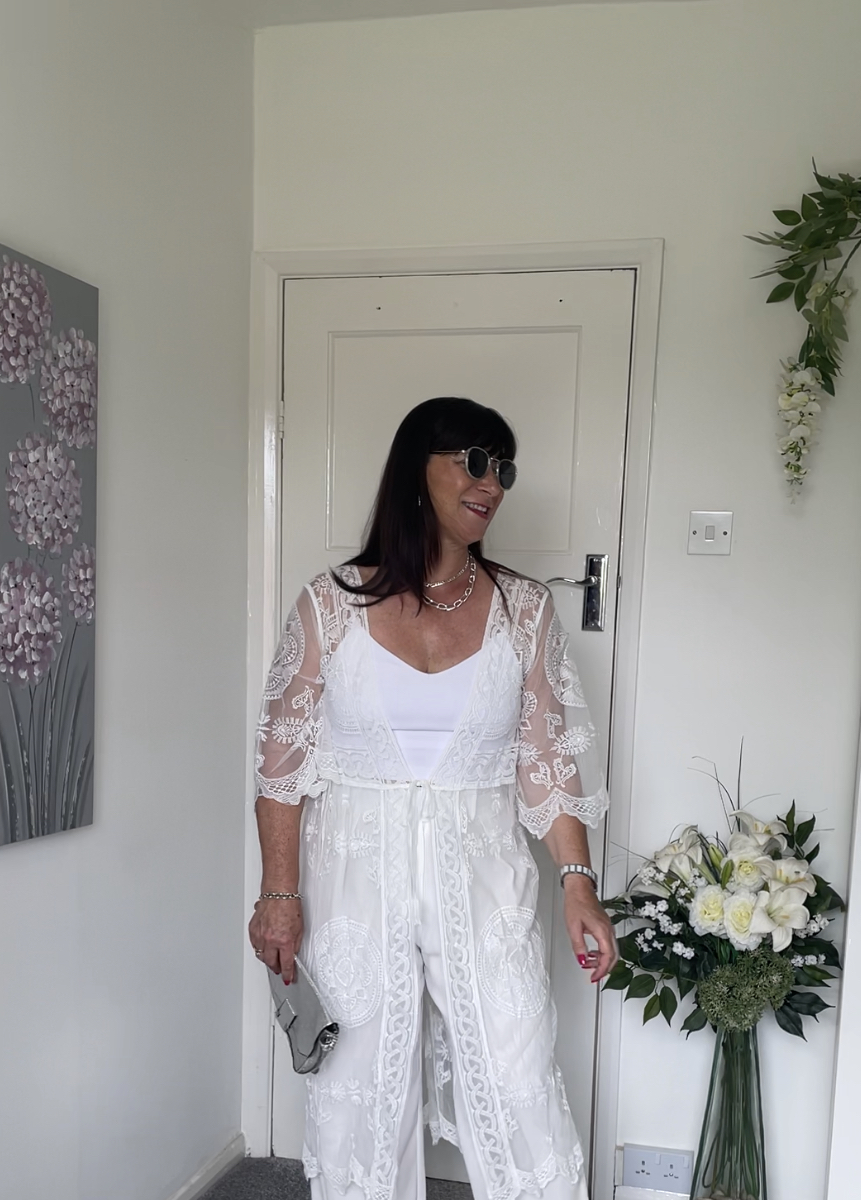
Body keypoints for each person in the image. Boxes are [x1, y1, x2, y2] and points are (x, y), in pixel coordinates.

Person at [250, 397, 617, 1200]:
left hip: (483, 871)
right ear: (416, 470)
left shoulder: (525, 609)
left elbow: (548, 762)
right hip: (353, 874)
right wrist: (278, 894)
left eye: (503, 468)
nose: (492, 484)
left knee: (517, 1067)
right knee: (358, 1083)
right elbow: (281, 768)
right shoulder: (329, 604)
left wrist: (577, 884)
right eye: (473, 461)